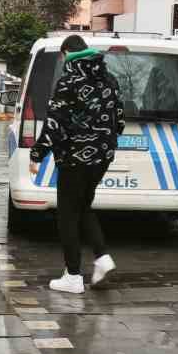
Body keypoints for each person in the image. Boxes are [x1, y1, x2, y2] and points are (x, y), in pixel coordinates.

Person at [27, 35, 125, 294]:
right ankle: (102, 258)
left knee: (68, 215)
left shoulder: (68, 81)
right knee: (82, 206)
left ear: (66, 53)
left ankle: (72, 276)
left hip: (75, 158)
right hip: (102, 156)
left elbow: (54, 124)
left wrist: (37, 155)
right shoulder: (110, 79)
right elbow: (121, 120)